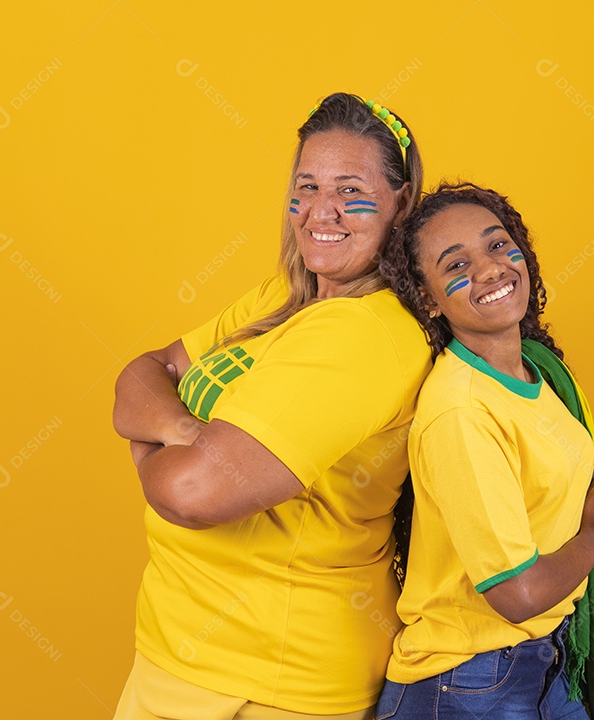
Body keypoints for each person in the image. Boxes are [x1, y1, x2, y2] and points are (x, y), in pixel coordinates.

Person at [111, 92, 430, 720]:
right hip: (176, 655)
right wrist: (185, 429)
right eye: (306, 186)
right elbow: (143, 372)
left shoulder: (365, 334)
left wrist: (153, 442)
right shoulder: (283, 298)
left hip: (271, 682)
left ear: (401, 203)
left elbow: (193, 494)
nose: (321, 210)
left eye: (351, 189)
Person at [376, 183, 594, 719]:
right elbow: (515, 594)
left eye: (497, 245)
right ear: (428, 299)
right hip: (466, 685)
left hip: (542, 663)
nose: (491, 268)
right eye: (456, 264)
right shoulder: (462, 411)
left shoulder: (536, 375)